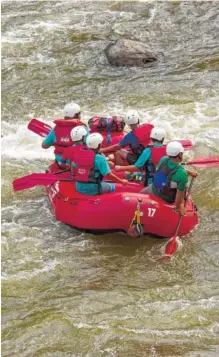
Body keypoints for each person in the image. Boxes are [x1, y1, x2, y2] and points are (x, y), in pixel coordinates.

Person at [141, 141, 198, 214]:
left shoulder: (164, 159)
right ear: (179, 154)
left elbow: (168, 171)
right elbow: (179, 198)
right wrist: (178, 207)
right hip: (165, 198)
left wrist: (188, 172)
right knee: (182, 197)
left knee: (139, 198)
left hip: (153, 189)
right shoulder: (182, 174)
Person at [42, 102, 88, 168]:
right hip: (76, 164)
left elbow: (44, 146)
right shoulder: (82, 128)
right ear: (76, 115)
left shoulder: (56, 128)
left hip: (59, 162)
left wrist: (55, 143)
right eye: (79, 113)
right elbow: (90, 146)